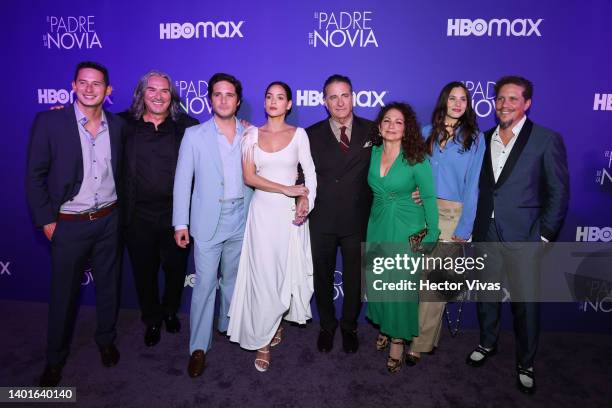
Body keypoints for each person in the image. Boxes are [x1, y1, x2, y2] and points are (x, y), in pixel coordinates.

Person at [465, 76, 569, 395]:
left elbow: (558, 192)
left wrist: (545, 236)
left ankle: (526, 362)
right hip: (486, 231)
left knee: (526, 304)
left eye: (513, 99)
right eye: (500, 99)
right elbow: (475, 187)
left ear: (527, 103)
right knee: (487, 295)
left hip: (525, 235)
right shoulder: (483, 139)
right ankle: (487, 342)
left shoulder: (546, 139)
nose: (505, 104)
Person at [26, 61, 124, 387]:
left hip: (109, 220)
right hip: (69, 224)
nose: (90, 88)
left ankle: (106, 341)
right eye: (84, 82)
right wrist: (46, 221)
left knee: (109, 287)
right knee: (63, 296)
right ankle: (54, 360)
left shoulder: (119, 125)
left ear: (107, 91)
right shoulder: (51, 121)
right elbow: (34, 176)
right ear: (73, 85)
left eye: (97, 84)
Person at [227, 81, 316, 372]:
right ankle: (263, 340)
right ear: (264, 103)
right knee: (263, 276)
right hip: (263, 212)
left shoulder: (299, 135)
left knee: (283, 275)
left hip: (290, 216)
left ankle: (275, 322)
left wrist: (305, 202)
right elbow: (250, 177)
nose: (274, 101)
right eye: (269, 97)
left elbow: (310, 175)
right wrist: (287, 189)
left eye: (280, 98)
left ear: (289, 104)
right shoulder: (250, 135)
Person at [173, 73, 252, 378]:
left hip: (241, 219)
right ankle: (198, 348)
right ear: (209, 99)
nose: (223, 100)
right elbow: (182, 182)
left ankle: (227, 326)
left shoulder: (250, 133)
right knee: (205, 285)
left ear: (238, 100)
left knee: (233, 280)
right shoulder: (194, 135)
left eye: (229, 94)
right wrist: (180, 222)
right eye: (217, 94)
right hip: (207, 222)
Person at [406, 81, 485, 364]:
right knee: (418, 280)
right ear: (444, 101)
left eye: (463, 99)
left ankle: (419, 343)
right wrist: (413, 190)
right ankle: (428, 336)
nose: (457, 104)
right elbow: (413, 171)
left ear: (467, 105)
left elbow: (473, 184)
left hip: (453, 217)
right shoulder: (426, 133)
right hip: (422, 213)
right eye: (453, 98)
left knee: (434, 283)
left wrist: (466, 225)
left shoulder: (475, 138)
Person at [120, 70, 199, 347]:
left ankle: (170, 312)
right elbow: (87, 126)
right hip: (137, 216)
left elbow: (221, 137)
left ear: (172, 96)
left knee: (176, 270)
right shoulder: (122, 125)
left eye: (164, 91)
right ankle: (151, 318)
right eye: (151, 90)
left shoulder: (188, 126)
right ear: (141, 94)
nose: (158, 96)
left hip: (176, 216)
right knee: (144, 272)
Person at [365, 102, 439, 373]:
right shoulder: (371, 153)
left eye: (398, 122)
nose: (392, 126)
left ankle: (397, 341)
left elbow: (429, 197)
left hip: (407, 227)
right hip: (377, 225)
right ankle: (386, 326)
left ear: (406, 128)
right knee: (380, 283)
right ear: (380, 126)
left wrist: (433, 233)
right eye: (387, 121)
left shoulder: (416, 158)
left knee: (402, 288)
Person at [306, 74, 373, 354]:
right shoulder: (310, 134)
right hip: (321, 218)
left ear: (353, 97)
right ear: (324, 102)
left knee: (355, 278)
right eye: (332, 97)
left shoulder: (374, 131)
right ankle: (327, 326)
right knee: (322, 276)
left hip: (358, 218)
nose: (339, 102)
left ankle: (349, 327)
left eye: (344, 95)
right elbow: (299, 174)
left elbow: (394, 164)